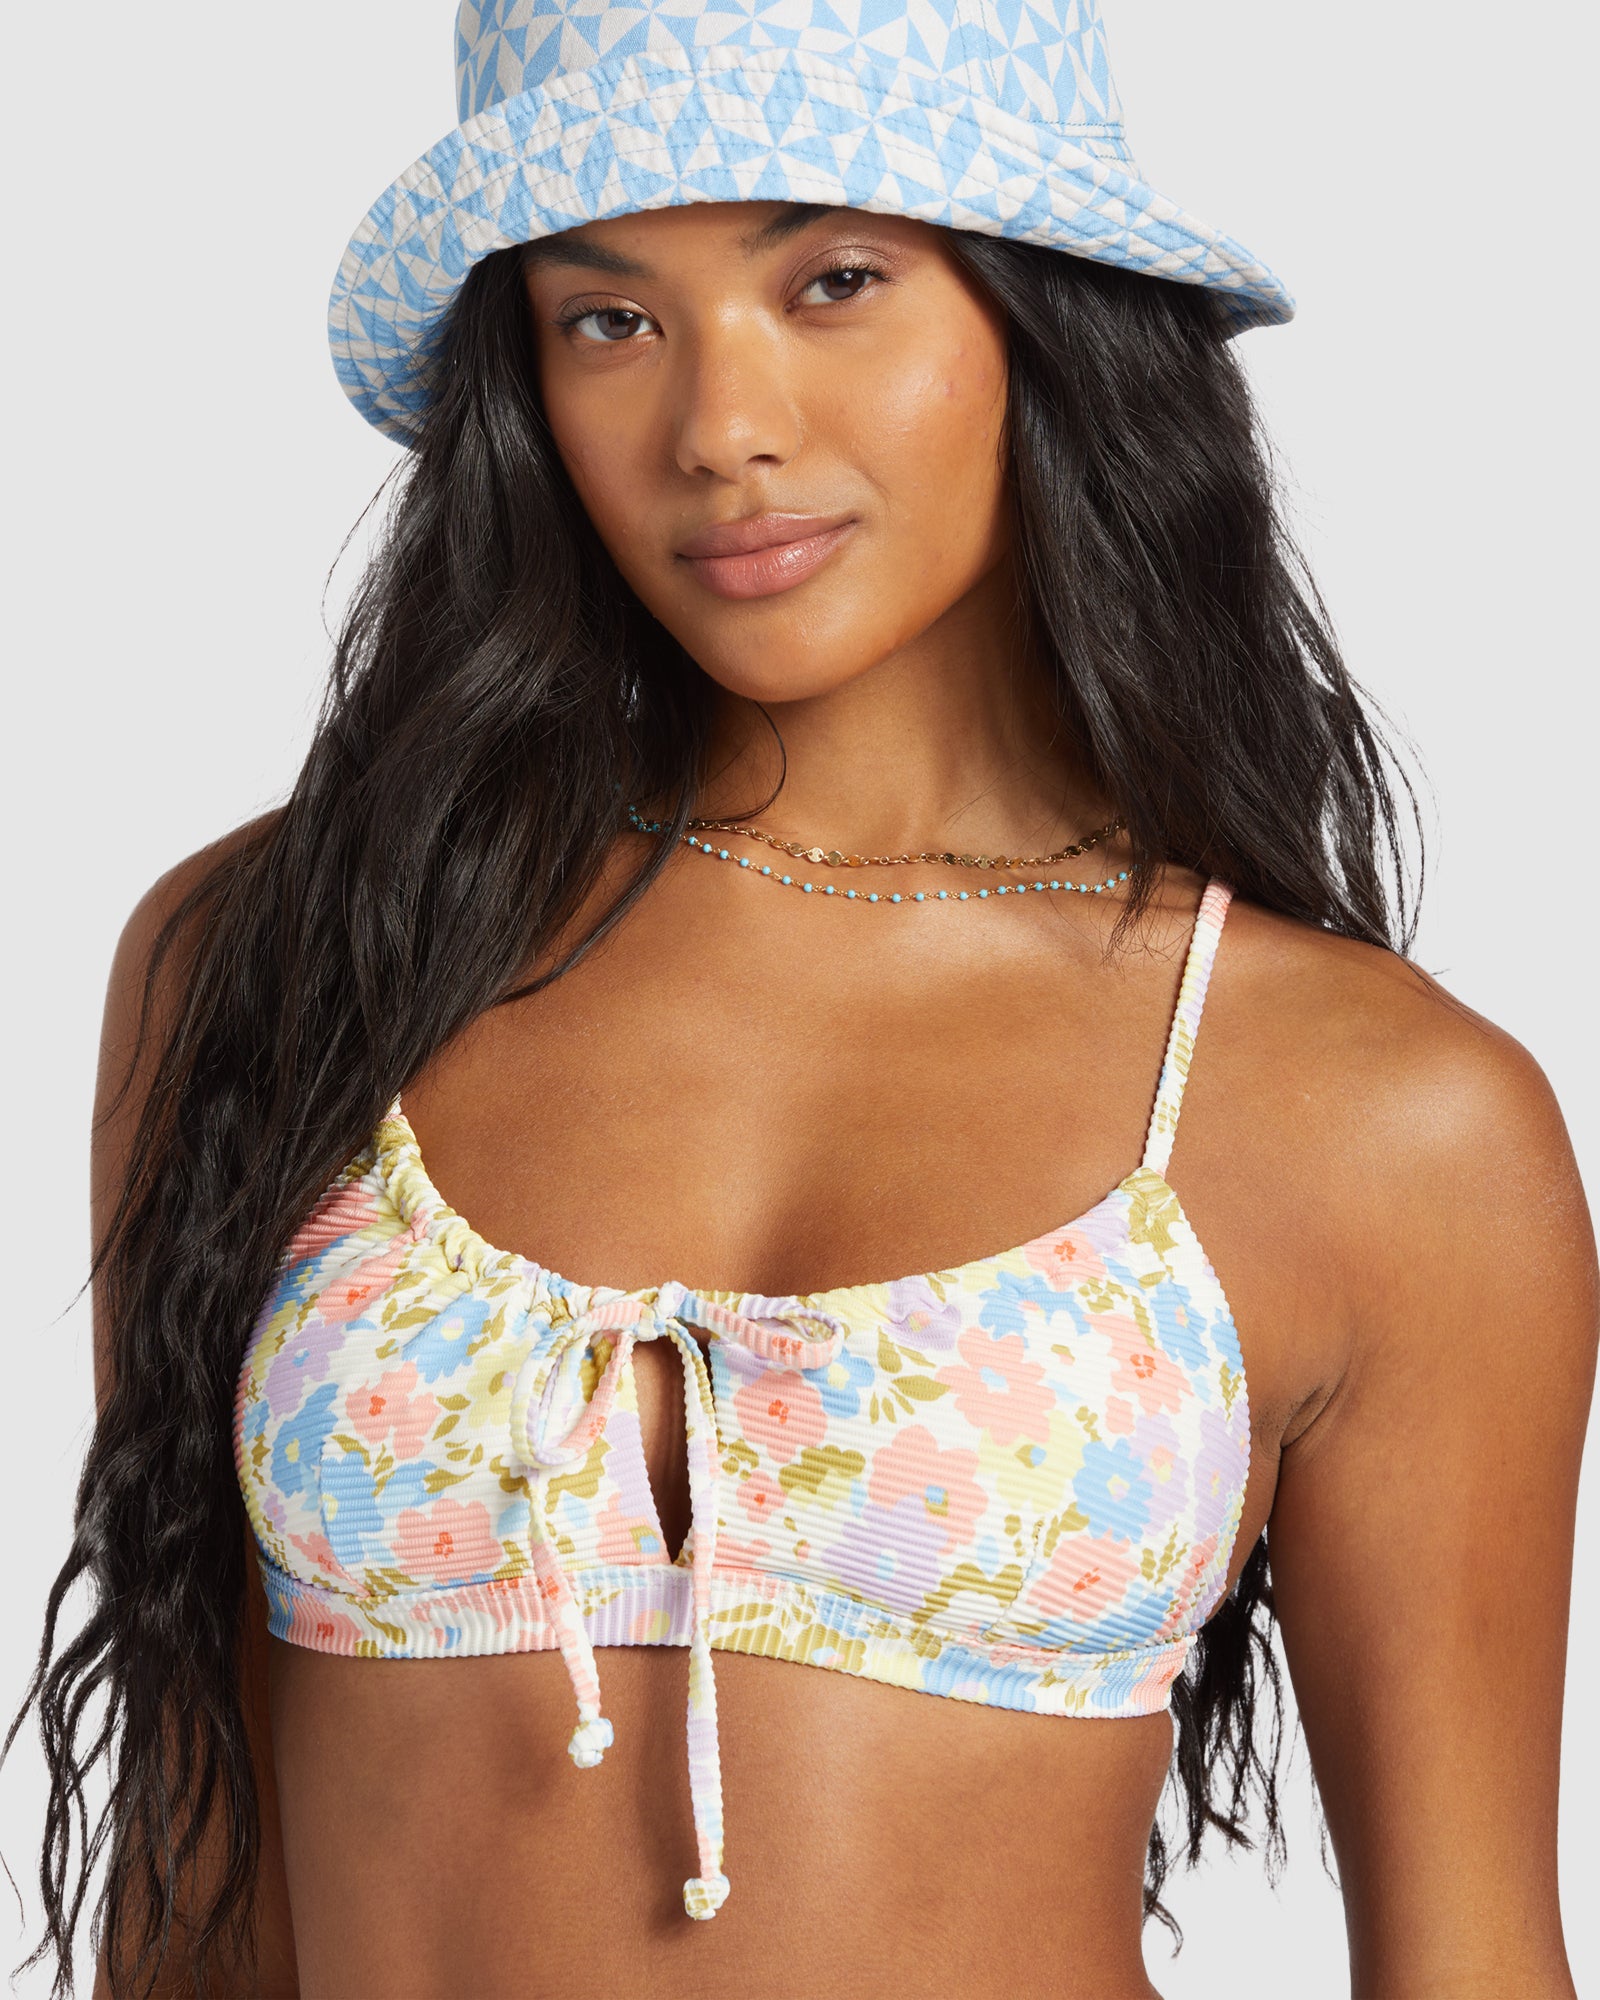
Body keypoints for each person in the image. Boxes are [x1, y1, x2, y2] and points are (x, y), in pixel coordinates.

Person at [7, 0, 1595, 1994]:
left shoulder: (1379, 1114)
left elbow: (1466, 1958)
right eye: (609, 319)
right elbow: (193, 1890)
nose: (718, 428)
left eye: (832, 280)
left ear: (1047, 312)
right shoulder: (288, 955)